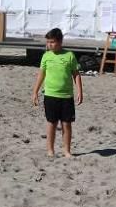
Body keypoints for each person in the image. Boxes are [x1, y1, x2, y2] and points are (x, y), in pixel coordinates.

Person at [31, 28, 83, 158]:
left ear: (60, 41)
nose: (49, 45)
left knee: (66, 124)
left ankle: (66, 150)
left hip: (66, 96)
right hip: (50, 95)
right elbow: (41, 75)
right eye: (48, 42)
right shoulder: (46, 56)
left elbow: (76, 75)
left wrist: (80, 91)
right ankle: (50, 150)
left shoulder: (69, 55)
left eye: (52, 42)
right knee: (51, 123)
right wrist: (35, 92)